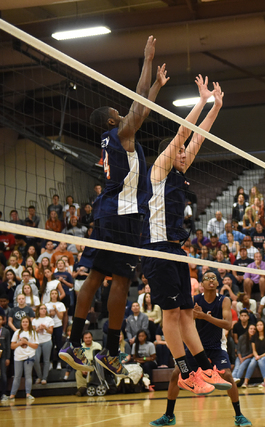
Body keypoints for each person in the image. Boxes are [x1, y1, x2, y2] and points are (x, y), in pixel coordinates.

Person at [61, 36, 167, 377]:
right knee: (120, 279)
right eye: (118, 114)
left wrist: (156, 87)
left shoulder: (114, 138)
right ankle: (108, 351)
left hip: (106, 209)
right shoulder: (121, 133)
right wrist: (147, 60)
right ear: (111, 122)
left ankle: (72, 342)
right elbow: (137, 107)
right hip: (122, 212)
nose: (124, 115)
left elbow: (141, 109)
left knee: (94, 275)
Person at [139, 75, 225, 394]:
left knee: (187, 312)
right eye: (181, 152)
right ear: (170, 153)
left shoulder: (179, 173)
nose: (186, 154)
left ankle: (204, 367)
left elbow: (197, 136)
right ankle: (186, 371)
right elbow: (184, 133)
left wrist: (216, 105)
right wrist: (200, 100)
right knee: (172, 314)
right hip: (157, 250)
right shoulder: (159, 171)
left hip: (176, 250)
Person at [150, 272, 246, 427]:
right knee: (176, 374)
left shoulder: (224, 300)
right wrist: (194, 317)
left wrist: (204, 316)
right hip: (196, 348)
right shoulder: (194, 300)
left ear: (217, 283)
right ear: (202, 284)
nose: (210, 280)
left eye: (213, 278)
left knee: (227, 375)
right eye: (207, 278)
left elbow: (228, 325)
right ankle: (168, 415)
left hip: (216, 346)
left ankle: (239, 415)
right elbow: (183, 322)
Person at [9, 316, 39, 401]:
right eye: (23, 322)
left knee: (28, 375)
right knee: (17, 376)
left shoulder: (33, 333)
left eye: (26, 322)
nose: (25, 323)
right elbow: (12, 346)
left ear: (29, 323)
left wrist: (27, 342)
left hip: (29, 356)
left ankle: (28, 394)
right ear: (21, 323)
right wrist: (20, 343)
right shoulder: (17, 332)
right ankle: (12, 395)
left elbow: (35, 346)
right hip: (18, 357)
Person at [75, 331, 102, 396]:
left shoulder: (97, 346)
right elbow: (79, 360)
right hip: (84, 366)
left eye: (89, 337)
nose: (88, 339)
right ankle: (82, 388)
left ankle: (84, 389)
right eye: (86, 338)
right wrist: (83, 368)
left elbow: (99, 359)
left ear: (92, 338)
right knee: (78, 372)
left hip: (95, 366)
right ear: (83, 339)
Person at [32, 304, 54, 385]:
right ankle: (39, 376)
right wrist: (38, 329)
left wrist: (45, 328)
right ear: (39, 310)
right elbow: (32, 332)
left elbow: (51, 331)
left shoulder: (49, 319)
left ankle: (44, 378)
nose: (43, 310)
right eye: (42, 308)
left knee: (46, 360)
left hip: (47, 341)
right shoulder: (34, 320)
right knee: (36, 359)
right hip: (37, 342)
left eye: (45, 308)